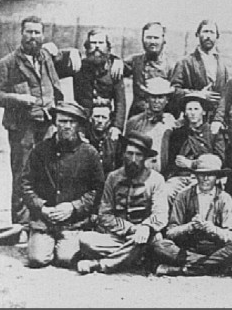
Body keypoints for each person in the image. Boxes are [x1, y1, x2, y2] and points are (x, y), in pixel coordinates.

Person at [0, 16, 67, 225]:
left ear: (43, 36)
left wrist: (59, 51)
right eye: (29, 32)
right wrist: (18, 98)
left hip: (46, 123)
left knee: (46, 170)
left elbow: (66, 58)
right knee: (22, 174)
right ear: (21, 33)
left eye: (37, 33)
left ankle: (41, 219)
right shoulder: (7, 63)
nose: (33, 37)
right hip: (22, 127)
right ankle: (21, 223)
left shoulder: (46, 55)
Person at [21, 102, 105, 268]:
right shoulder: (40, 150)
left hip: (73, 222)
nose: (67, 126)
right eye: (62, 121)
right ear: (55, 122)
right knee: (38, 259)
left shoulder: (89, 153)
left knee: (66, 259)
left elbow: (97, 190)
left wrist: (73, 207)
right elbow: (25, 184)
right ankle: (37, 237)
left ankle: (68, 242)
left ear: (79, 126)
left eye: (72, 122)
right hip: (44, 221)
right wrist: (42, 207)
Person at [76, 131, 168, 274]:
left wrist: (145, 227)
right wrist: (131, 229)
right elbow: (105, 214)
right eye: (129, 154)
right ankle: (133, 257)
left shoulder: (156, 180)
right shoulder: (113, 178)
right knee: (85, 240)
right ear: (123, 154)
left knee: (155, 243)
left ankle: (101, 264)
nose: (133, 159)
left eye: (138, 155)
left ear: (145, 158)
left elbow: (160, 213)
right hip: (118, 237)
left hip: (146, 235)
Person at [153, 154, 232, 276]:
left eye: (210, 174)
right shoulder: (183, 196)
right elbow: (170, 232)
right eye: (202, 174)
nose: (206, 178)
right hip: (188, 250)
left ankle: (183, 269)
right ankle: (212, 267)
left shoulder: (224, 199)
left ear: (217, 177)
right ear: (196, 175)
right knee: (160, 246)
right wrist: (189, 227)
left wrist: (214, 229)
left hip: (214, 249)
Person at [56, 29, 126, 141]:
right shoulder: (78, 65)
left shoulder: (114, 69)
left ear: (108, 47)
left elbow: (120, 102)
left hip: (105, 123)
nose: (97, 46)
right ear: (87, 47)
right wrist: (69, 52)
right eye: (93, 43)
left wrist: (117, 127)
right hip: (83, 124)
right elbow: (52, 61)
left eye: (101, 43)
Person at [170, 19, 229, 129]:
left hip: (215, 122)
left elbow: (225, 94)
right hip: (192, 121)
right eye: (205, 32)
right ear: (197, 34)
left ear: (217, 36)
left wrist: (218, 119)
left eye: (212, 32)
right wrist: (199, 95)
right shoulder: (185, 62)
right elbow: (174, 91)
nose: (208, 36)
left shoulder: (222, 64)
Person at [125, 77, 178, 176]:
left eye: (161, 97)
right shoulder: (135, 122)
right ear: (147, 98)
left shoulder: (170, 122)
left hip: (164, 175)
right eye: (153, 97)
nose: (156, 101)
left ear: (167, 100)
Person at [123, 22, 175, 118]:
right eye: (148, 37)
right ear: (142, 40)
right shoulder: (135, 61)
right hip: (136, 120)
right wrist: (115, 61)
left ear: (164, 40)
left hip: (162, 121)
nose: (152, 42)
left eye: (156, 38)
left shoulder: (172, 67)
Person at [85, 102, 123, 176]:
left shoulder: (115, 140)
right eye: (96, 116)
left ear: (109, 121)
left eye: (104, 117)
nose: (100, 121)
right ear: (90, 119)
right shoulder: (84, 138)